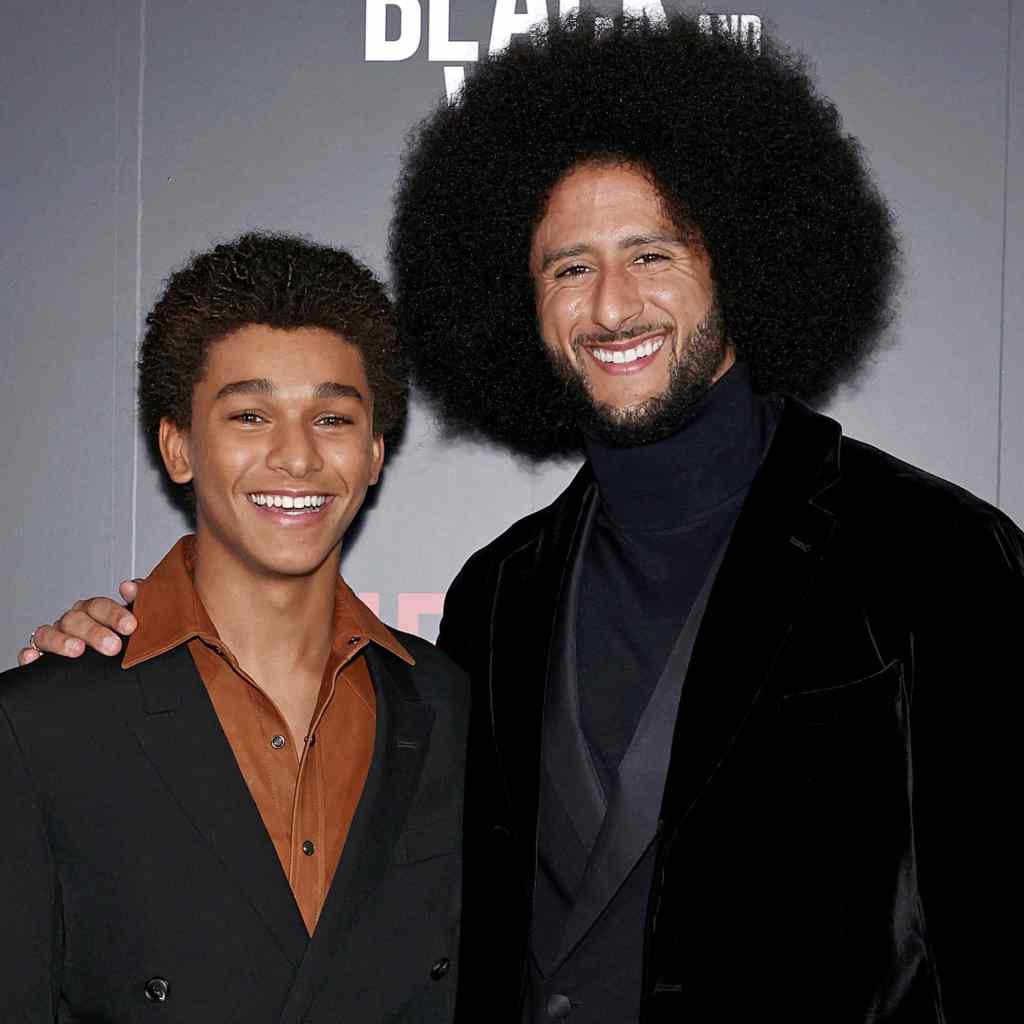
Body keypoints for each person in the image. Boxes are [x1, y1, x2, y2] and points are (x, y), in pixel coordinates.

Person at [22, 14, 1024, 1023]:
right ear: (523, 302)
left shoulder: (935, 558)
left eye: (651, 254)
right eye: (569, 267)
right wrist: (104, 665)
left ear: (740, 258)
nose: (612, 306)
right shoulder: (500, 594)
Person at [2, 232, 467, 1022]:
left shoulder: (449, 706)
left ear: (374, 453)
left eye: (332, 417)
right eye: (251, 415)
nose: (297, 457)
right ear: (179, 447)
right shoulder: (41, 724)